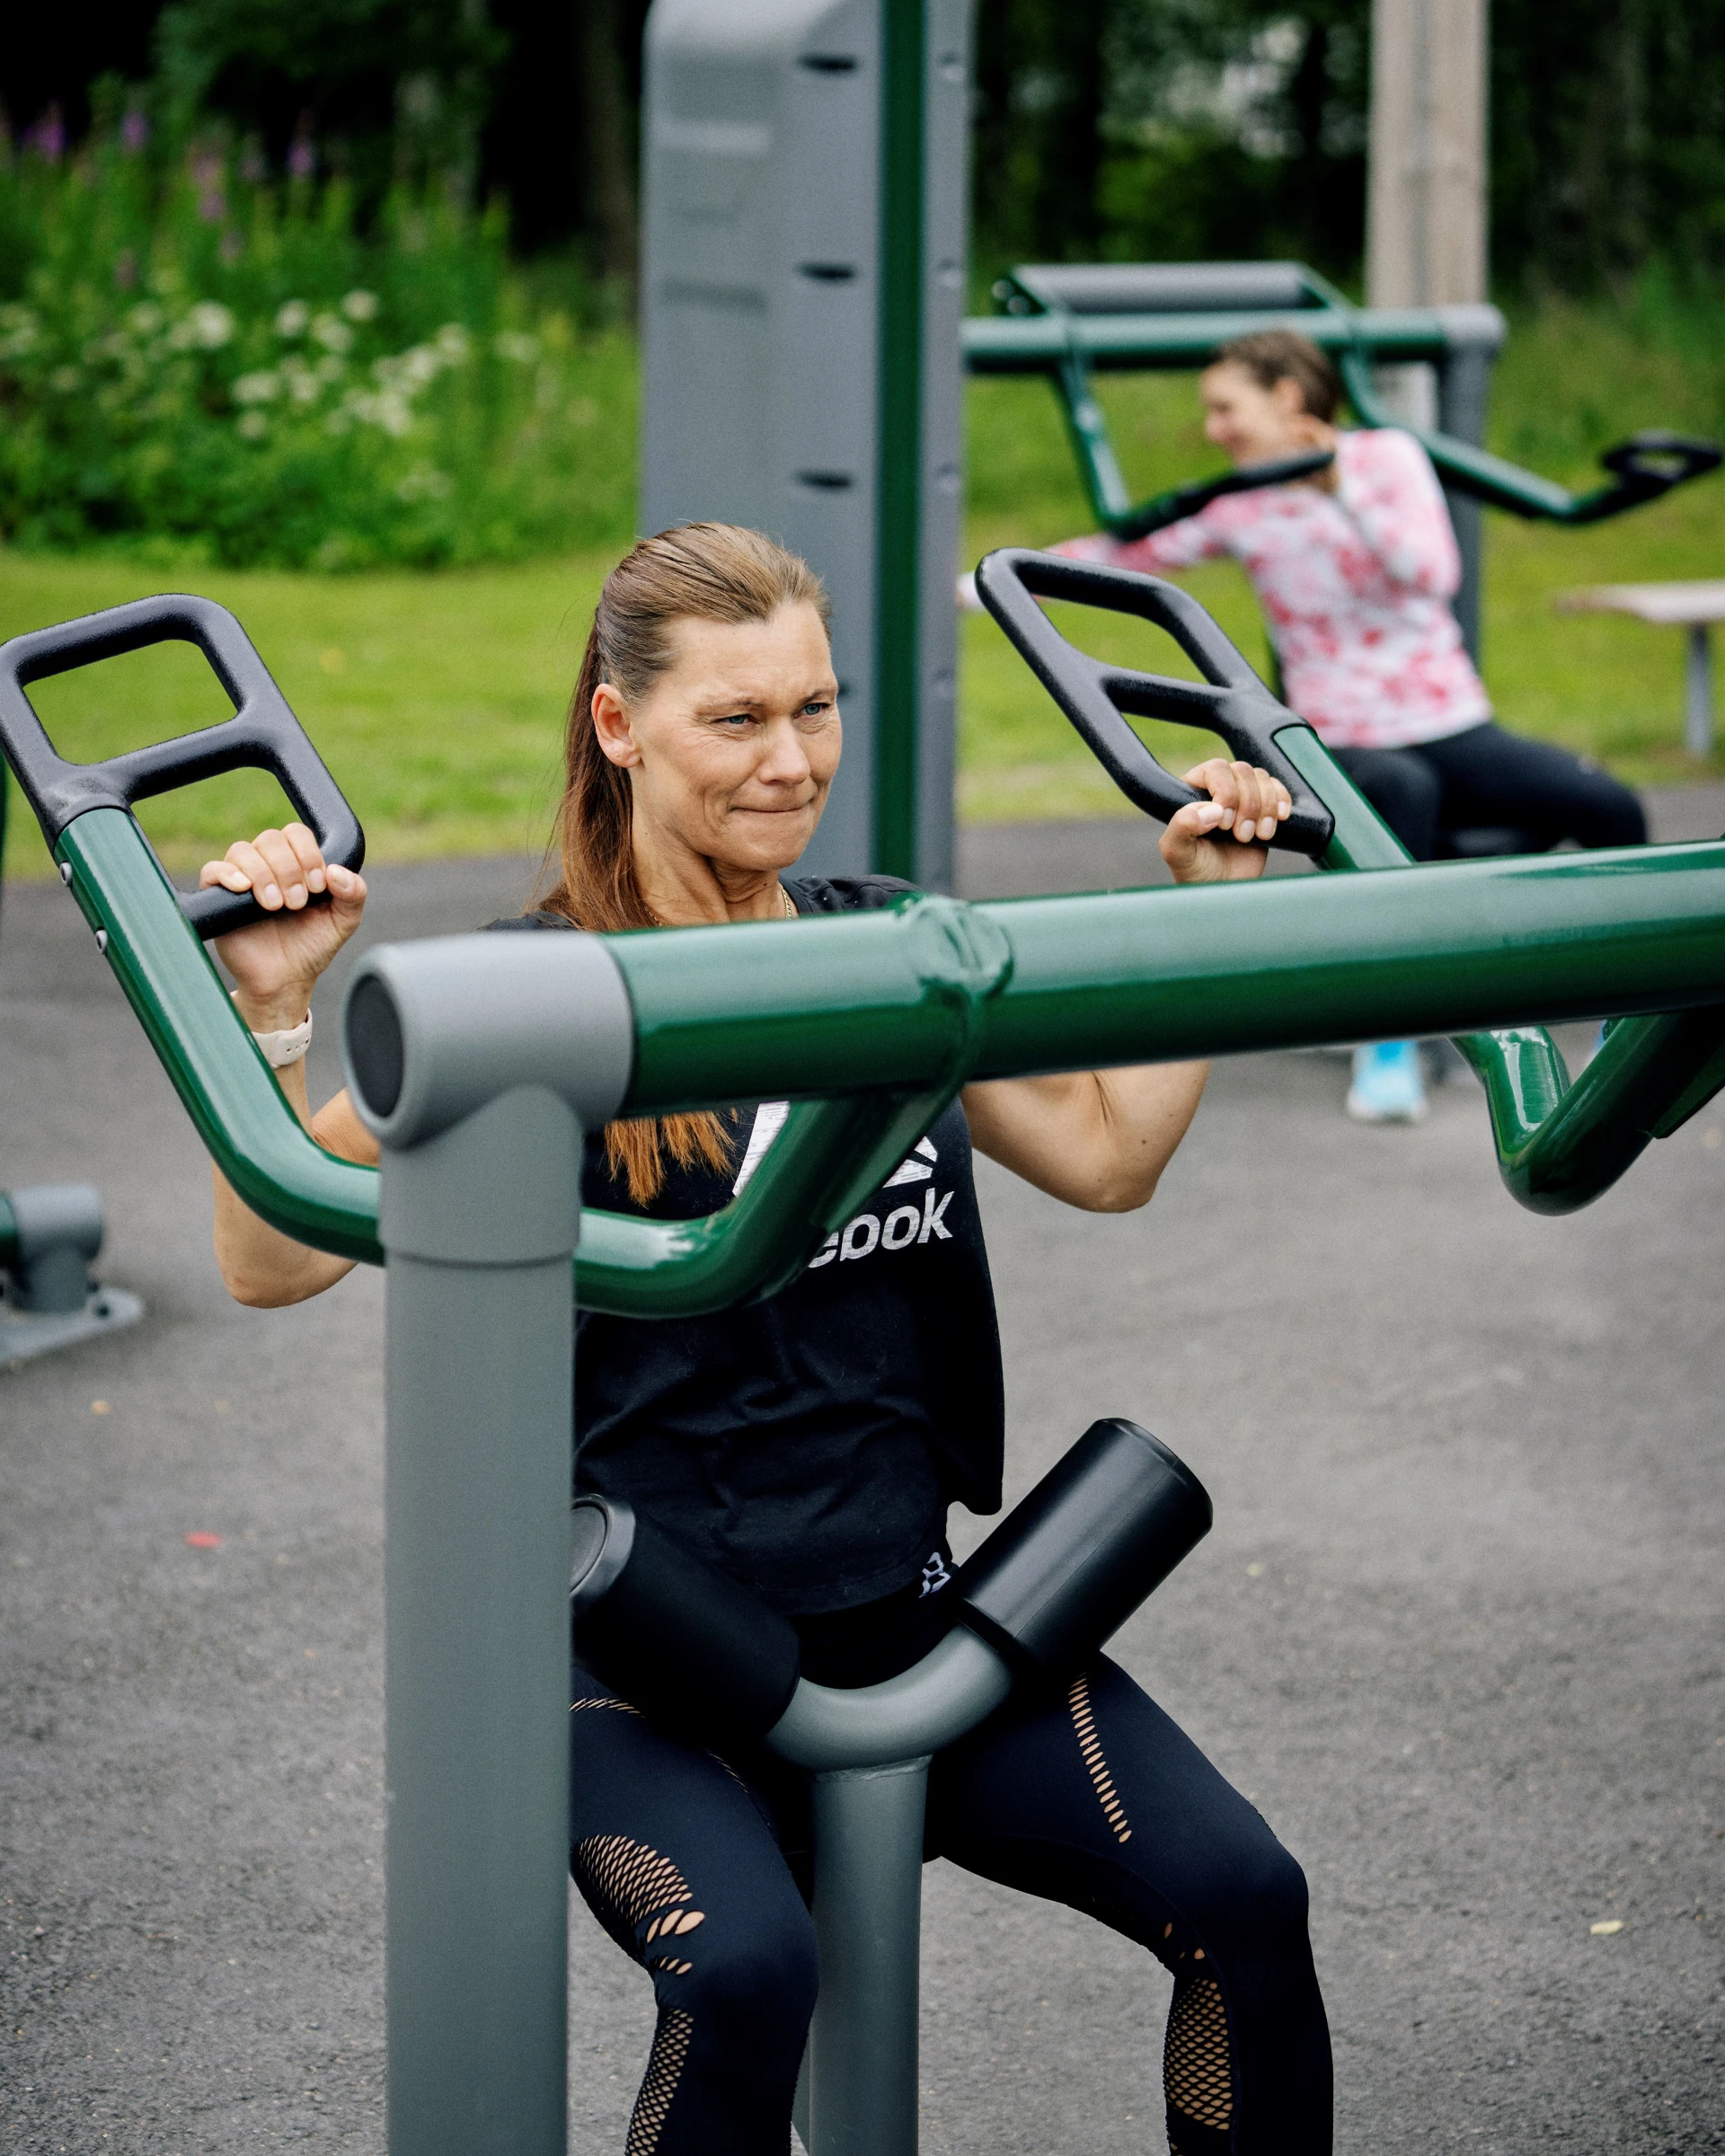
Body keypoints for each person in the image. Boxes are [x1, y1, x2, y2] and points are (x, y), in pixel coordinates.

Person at [204, 521, 1331, 2156]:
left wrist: (1219, 913)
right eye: (736, 719)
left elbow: (1108, 1153)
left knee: (1244, 1899)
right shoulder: (537, 1000)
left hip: (912, 1619)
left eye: (815, 709)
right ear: (619, 726)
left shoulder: (898, 952)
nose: (791, 760)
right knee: (743, 1979)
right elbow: (267, 1259)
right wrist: (271, 1005)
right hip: (640, 1660)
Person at [1029, 329, 1647, 1125]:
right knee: (1398, 793)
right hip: (1340, 735)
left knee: (1610, 808)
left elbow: (1433, 572)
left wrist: (1336, 488)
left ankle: (1628, 1028)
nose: (1213, 428)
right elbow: (1128, 550)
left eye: (1226, 407)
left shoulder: (1385, 458)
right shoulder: (1241, 500)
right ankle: (1390, 1039)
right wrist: (990, 580)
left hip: (1447, 717)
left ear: (1287, 397)